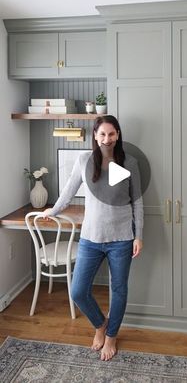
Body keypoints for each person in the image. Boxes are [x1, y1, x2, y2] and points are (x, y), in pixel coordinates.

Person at [43, 115, 143, 361]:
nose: (106, 139)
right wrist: (52, 210)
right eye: (102, 134)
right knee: (78, 291)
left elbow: (138, 203)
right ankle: (100, 324)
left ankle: (111, 335)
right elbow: (68, 192)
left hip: (121, 239)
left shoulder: (129, 162)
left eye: (111, 134)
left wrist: (138, 236)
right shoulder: (84, 160)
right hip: (90, 238)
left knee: (118, 290)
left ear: (118, 134)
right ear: (95, 137)